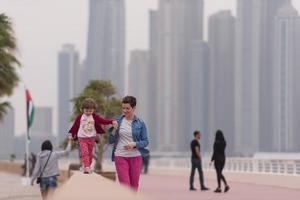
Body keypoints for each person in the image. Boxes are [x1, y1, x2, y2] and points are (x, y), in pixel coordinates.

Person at [109, 95, 149, 191]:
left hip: (136, 157)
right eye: (123, 108)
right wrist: (114, 130)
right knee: (125, 188)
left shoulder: (141, 123)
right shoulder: (117, 121)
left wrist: (134, 144)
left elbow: (145, 141)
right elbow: (110, 141)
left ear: (134, 108)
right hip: (120, 156)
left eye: (128, 108)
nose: (125, 110)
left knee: (134, 187)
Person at [68, 97, 118, 174]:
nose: (88, 112)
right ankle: (86, 167)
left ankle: (88, 166)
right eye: (86, 110)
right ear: (82, 109)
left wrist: (112, 121)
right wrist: (71, 134)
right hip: (82, 137)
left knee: (90, 154)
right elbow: (75, 126)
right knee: (84, 152)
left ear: (94, 110)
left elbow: (103, 121)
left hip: (91, 138)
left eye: (90, 111)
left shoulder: (94, 117)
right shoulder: (80, 117)